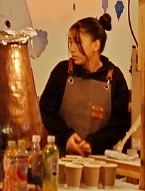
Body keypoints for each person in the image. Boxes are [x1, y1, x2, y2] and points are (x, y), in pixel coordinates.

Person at [39, 13, 131, 156]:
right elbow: (46, 110)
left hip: (100, 164)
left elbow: (119, 124)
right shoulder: (62, 72)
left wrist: (93, 143)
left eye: (78, 42)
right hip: (60, 161)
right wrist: (66, 137)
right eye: (70, 43)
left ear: (96, 44)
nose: (72, 49)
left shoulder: (115, 78)